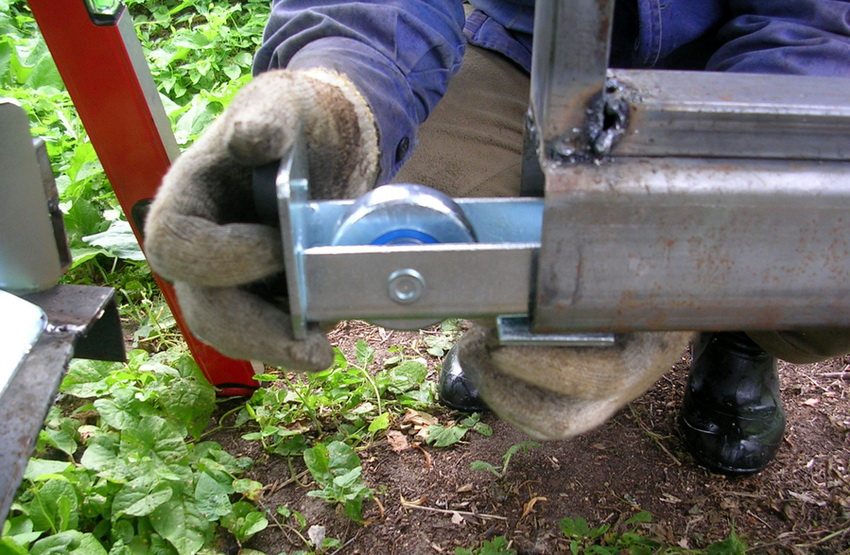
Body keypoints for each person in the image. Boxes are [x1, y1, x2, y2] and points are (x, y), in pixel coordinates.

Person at [144, 1, 850, 475]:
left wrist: (697, 244)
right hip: (525, 47)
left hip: (738, 79)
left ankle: (739, 332)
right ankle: (514, 309)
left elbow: (820, 26)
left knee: (822, 256)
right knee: (405, 156)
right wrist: (345, 86)